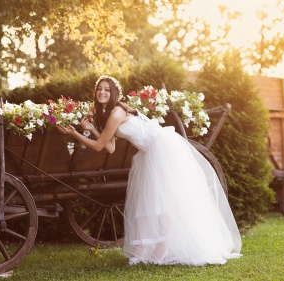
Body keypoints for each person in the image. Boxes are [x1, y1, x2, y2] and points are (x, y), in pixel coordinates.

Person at [56, 75, 242, 266]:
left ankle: (161, 248)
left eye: (107, 89)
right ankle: (140, 249)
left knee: (163, 199)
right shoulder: (110, 114)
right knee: (147, 201)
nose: (102, 92)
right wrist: (93, 129)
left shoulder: (116, 113)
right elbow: (109, 147)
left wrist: (75, 133)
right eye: (99, 89)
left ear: (114, 94)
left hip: (160, 148)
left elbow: (98, 146)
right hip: (149, 152)